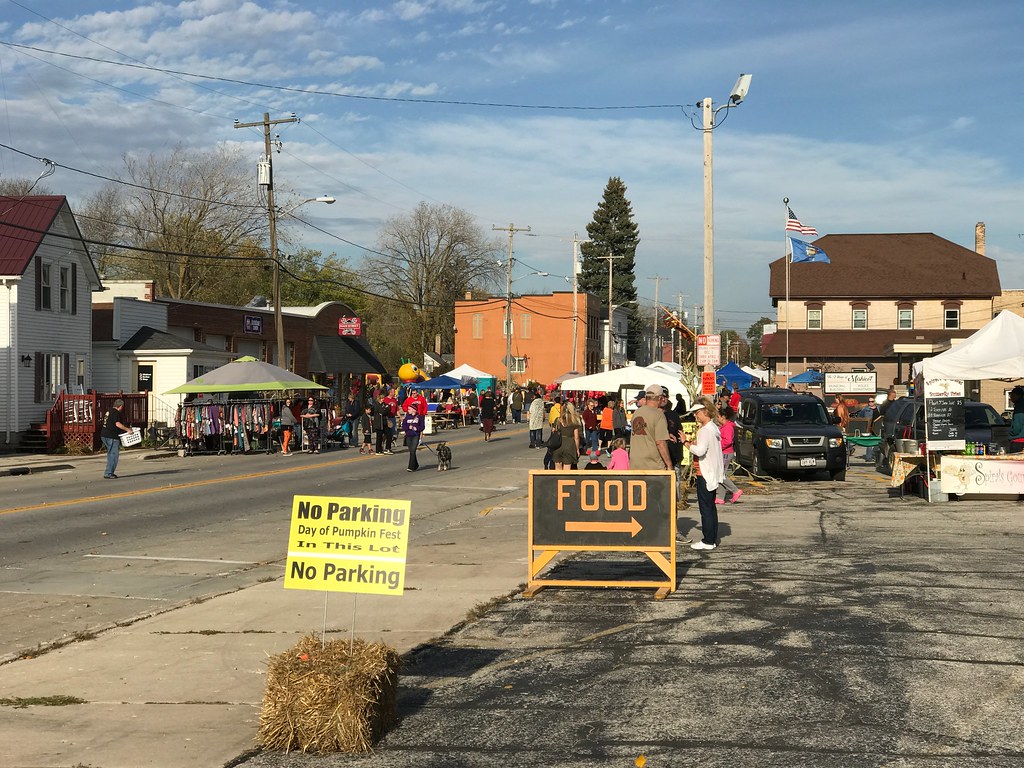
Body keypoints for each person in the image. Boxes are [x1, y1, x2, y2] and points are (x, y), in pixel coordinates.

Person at [682, 399, 724, 551]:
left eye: (697, 413)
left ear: (705, 412)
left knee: (705, 508)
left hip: (705, 473)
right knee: (710, 507)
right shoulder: (713, 428)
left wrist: (686, 443)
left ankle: (708, 540)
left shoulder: (705, 430)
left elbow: (700, 451)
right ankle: (711, 539)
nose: (695, 416)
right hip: (712, 472)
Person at [628, 384, 673, 471]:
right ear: (659, 398)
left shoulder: (637, 413)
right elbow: (660, 443)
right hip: (652, 464)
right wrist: (669, 465)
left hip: (635, 463)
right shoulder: (658, 414)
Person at [715, 406, 744, 504]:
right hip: (724, 453)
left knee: (720, 474)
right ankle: (720, 497)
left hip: (725, 453)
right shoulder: (725, 426)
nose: (717, 419)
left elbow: (727, 441)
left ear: (723, 417)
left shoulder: (728, 427)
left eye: (718, 417)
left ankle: (735, 490)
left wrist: (718, 446)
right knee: (720, 474)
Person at [100, 398, 130, 479]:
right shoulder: (116, 412)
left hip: (104, 435)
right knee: (113, 455)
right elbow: (117, 424)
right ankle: (109, 473)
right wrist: (128, 429)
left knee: (110, 454)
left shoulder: (109, 411)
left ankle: (109, 472)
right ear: (120, 406)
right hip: (111, 436)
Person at [551, 401, 581, 469]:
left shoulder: (557, 420)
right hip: (569, 445)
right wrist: (577, 449)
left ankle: (558, 479)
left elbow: (553, 431)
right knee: (567, 469)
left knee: (557, 468)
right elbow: (576, 437)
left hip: (558, 445)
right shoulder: (574, 421)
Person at [402, 405, 424, 471]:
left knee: (413, 450)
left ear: (414, 410)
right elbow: (403, 426)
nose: (408, 410)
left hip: (415, 435)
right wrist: (408, 428)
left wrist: (416, 428)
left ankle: (410, 467)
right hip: (408, 436)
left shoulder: (420, 417)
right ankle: (416, 464)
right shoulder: (407, 417)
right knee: (411, 451)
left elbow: (422, 427)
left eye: (409, 409)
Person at [1008, 385, 1024, 453]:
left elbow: (1018, 424)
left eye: (1011, 395)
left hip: (1018, 440)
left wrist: (1012, 432)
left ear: (1017, 395)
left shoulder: (1020, 406)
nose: (1010, 398)